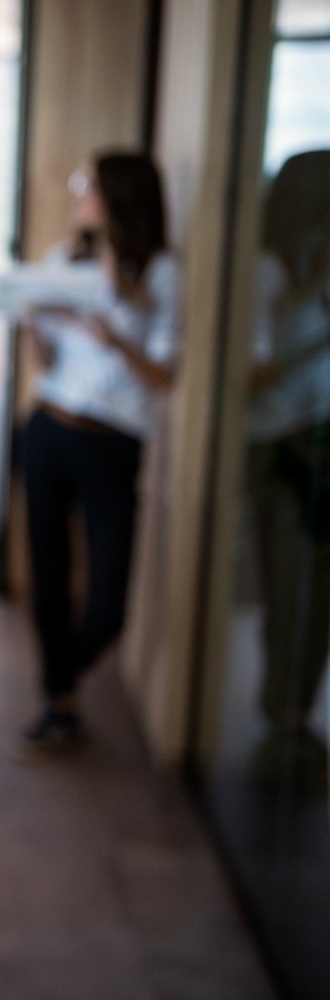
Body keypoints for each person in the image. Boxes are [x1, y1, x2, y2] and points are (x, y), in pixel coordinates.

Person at [17, 151, 177, 755]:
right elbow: (49, 361)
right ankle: (60, 706)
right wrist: (32, 325)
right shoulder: (64, 264)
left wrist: (115, 339)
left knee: (108, 604)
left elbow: (163, 377)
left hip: (113, 442)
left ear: (119, 195)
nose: (78, 194)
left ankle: (58, 682)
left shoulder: (161, 273)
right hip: (49, 428)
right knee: (49, 575)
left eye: (87, 184)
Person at [244, 149, 330, 787]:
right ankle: (283, 716)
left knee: (317, 591)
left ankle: (296, 713)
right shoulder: (267, 271)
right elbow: (257, 371)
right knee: (291, 585)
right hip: (285, 447)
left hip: (316, 436)